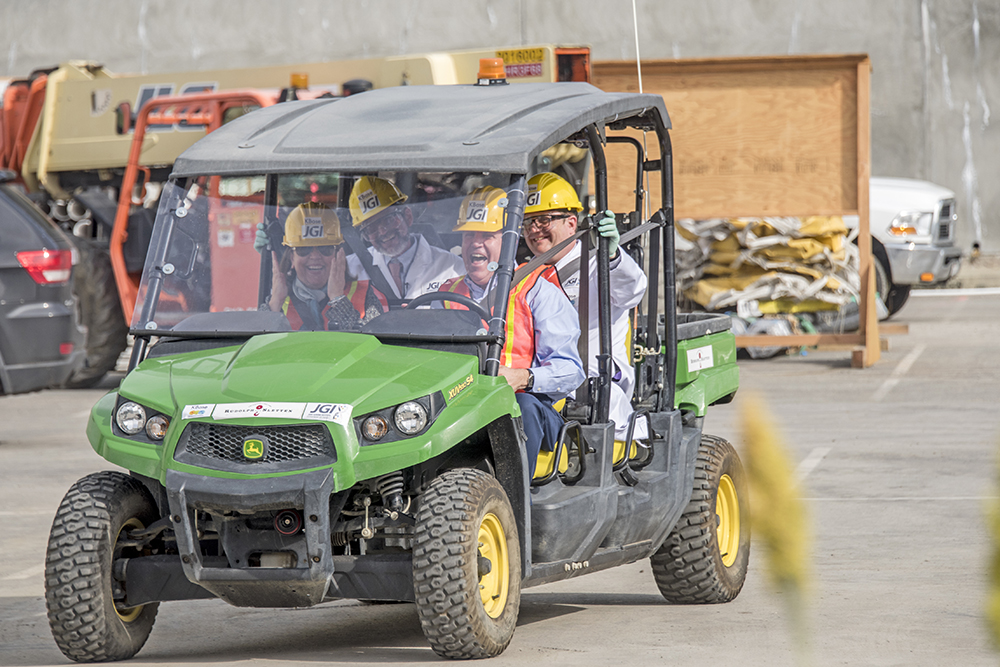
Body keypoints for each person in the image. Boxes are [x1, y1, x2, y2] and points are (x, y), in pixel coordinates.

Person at [438, 186, 585, 478]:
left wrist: (523, 377)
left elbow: (571, 371)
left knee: (522, 405)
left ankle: (515, 505)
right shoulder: (445, 292)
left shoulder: (538, 291)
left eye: (486, 236)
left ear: (507, 241)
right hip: (462, 404)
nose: (475, 245)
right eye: (469, 236)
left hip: (529, 410)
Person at [523, 172, 649, 440]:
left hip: (589, 386)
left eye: (544, 219)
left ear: (571, 223)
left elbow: (632, 291)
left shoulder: (596, 264)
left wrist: (612, 254)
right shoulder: (523, 273)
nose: (534, 230)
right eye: (528, 222)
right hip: (535, 378)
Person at [262, 202, 386, 331]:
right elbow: (259, 345)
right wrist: (275, 303)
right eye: (304, 249)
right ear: (292, 257)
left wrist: (338, 299)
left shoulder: (365, 296)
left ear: (337, 254)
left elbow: (372, 342)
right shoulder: (276, 301)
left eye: (325, 248)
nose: (315, 256)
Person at [347, 176, 464, 300]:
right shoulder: (349, 269)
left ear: (407, 216)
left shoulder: (453, 268)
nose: (382, 232)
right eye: (371, 228)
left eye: (388, 220)